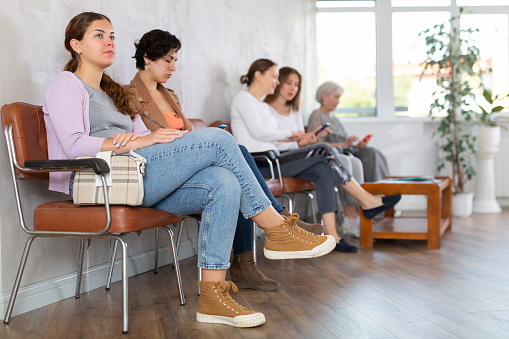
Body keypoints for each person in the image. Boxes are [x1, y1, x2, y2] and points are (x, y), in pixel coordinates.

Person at [43, 12, 336, 328]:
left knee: (224, 181)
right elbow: (73, 146)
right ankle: (276, 230)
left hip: (136, 176)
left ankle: (213, 297)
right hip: (99, 180)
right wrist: (131, 143)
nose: (109, 42)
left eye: (112, 36)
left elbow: (142, 138)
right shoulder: (66, 83)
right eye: (99, 35)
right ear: (76, 45)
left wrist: (153, 139)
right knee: (220, 139)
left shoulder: (114, 91)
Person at [126, 29, 323, 293]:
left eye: (175, 60)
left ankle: (248, 261)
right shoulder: (128, 94)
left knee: (235, 160)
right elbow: (142, 143)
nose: (173, 66)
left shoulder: (170, 94)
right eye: (168, 60)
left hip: (186, 165)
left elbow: (185, 136)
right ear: (148, 57)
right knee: (236, 155)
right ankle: (278, 223)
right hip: (162, 173)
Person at [231, 59, 401, 252]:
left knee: (323, 169)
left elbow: (272, 139)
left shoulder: (260, 106)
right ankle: (368, 201)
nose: (277, 82)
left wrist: (298, 141)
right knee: (324, 149)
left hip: (273, 157)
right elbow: (260, 133)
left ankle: (333, 236)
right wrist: (294, 135)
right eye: (275, 77)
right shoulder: (243, 99)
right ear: (258, 75)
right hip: (260, 163)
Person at [265, 67, 364, 237]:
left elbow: (299, 141)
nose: (292, 88)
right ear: (277, 82)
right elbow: (271, 140)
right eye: (288, 83)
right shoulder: (264, 109)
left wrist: (308, 138)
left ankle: (333, 235)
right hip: (276, 160)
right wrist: (300, 140)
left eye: (296, 85)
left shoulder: (295, 110)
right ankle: (364, 202)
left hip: (294, 156)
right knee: (326, 149)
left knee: (327, 168)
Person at [308, 81, 390, 183]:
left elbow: (346, 142)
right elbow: (317, 144)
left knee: (374, 152)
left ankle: (383, 187)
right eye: (336, 97)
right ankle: (376, 190)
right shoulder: (317, 115)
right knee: (370, 154)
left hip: (348, 150)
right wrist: (344, 144)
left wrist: (357, 145)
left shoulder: (334, 118)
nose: (338, 102)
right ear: (324, 96)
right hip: (337, 153)